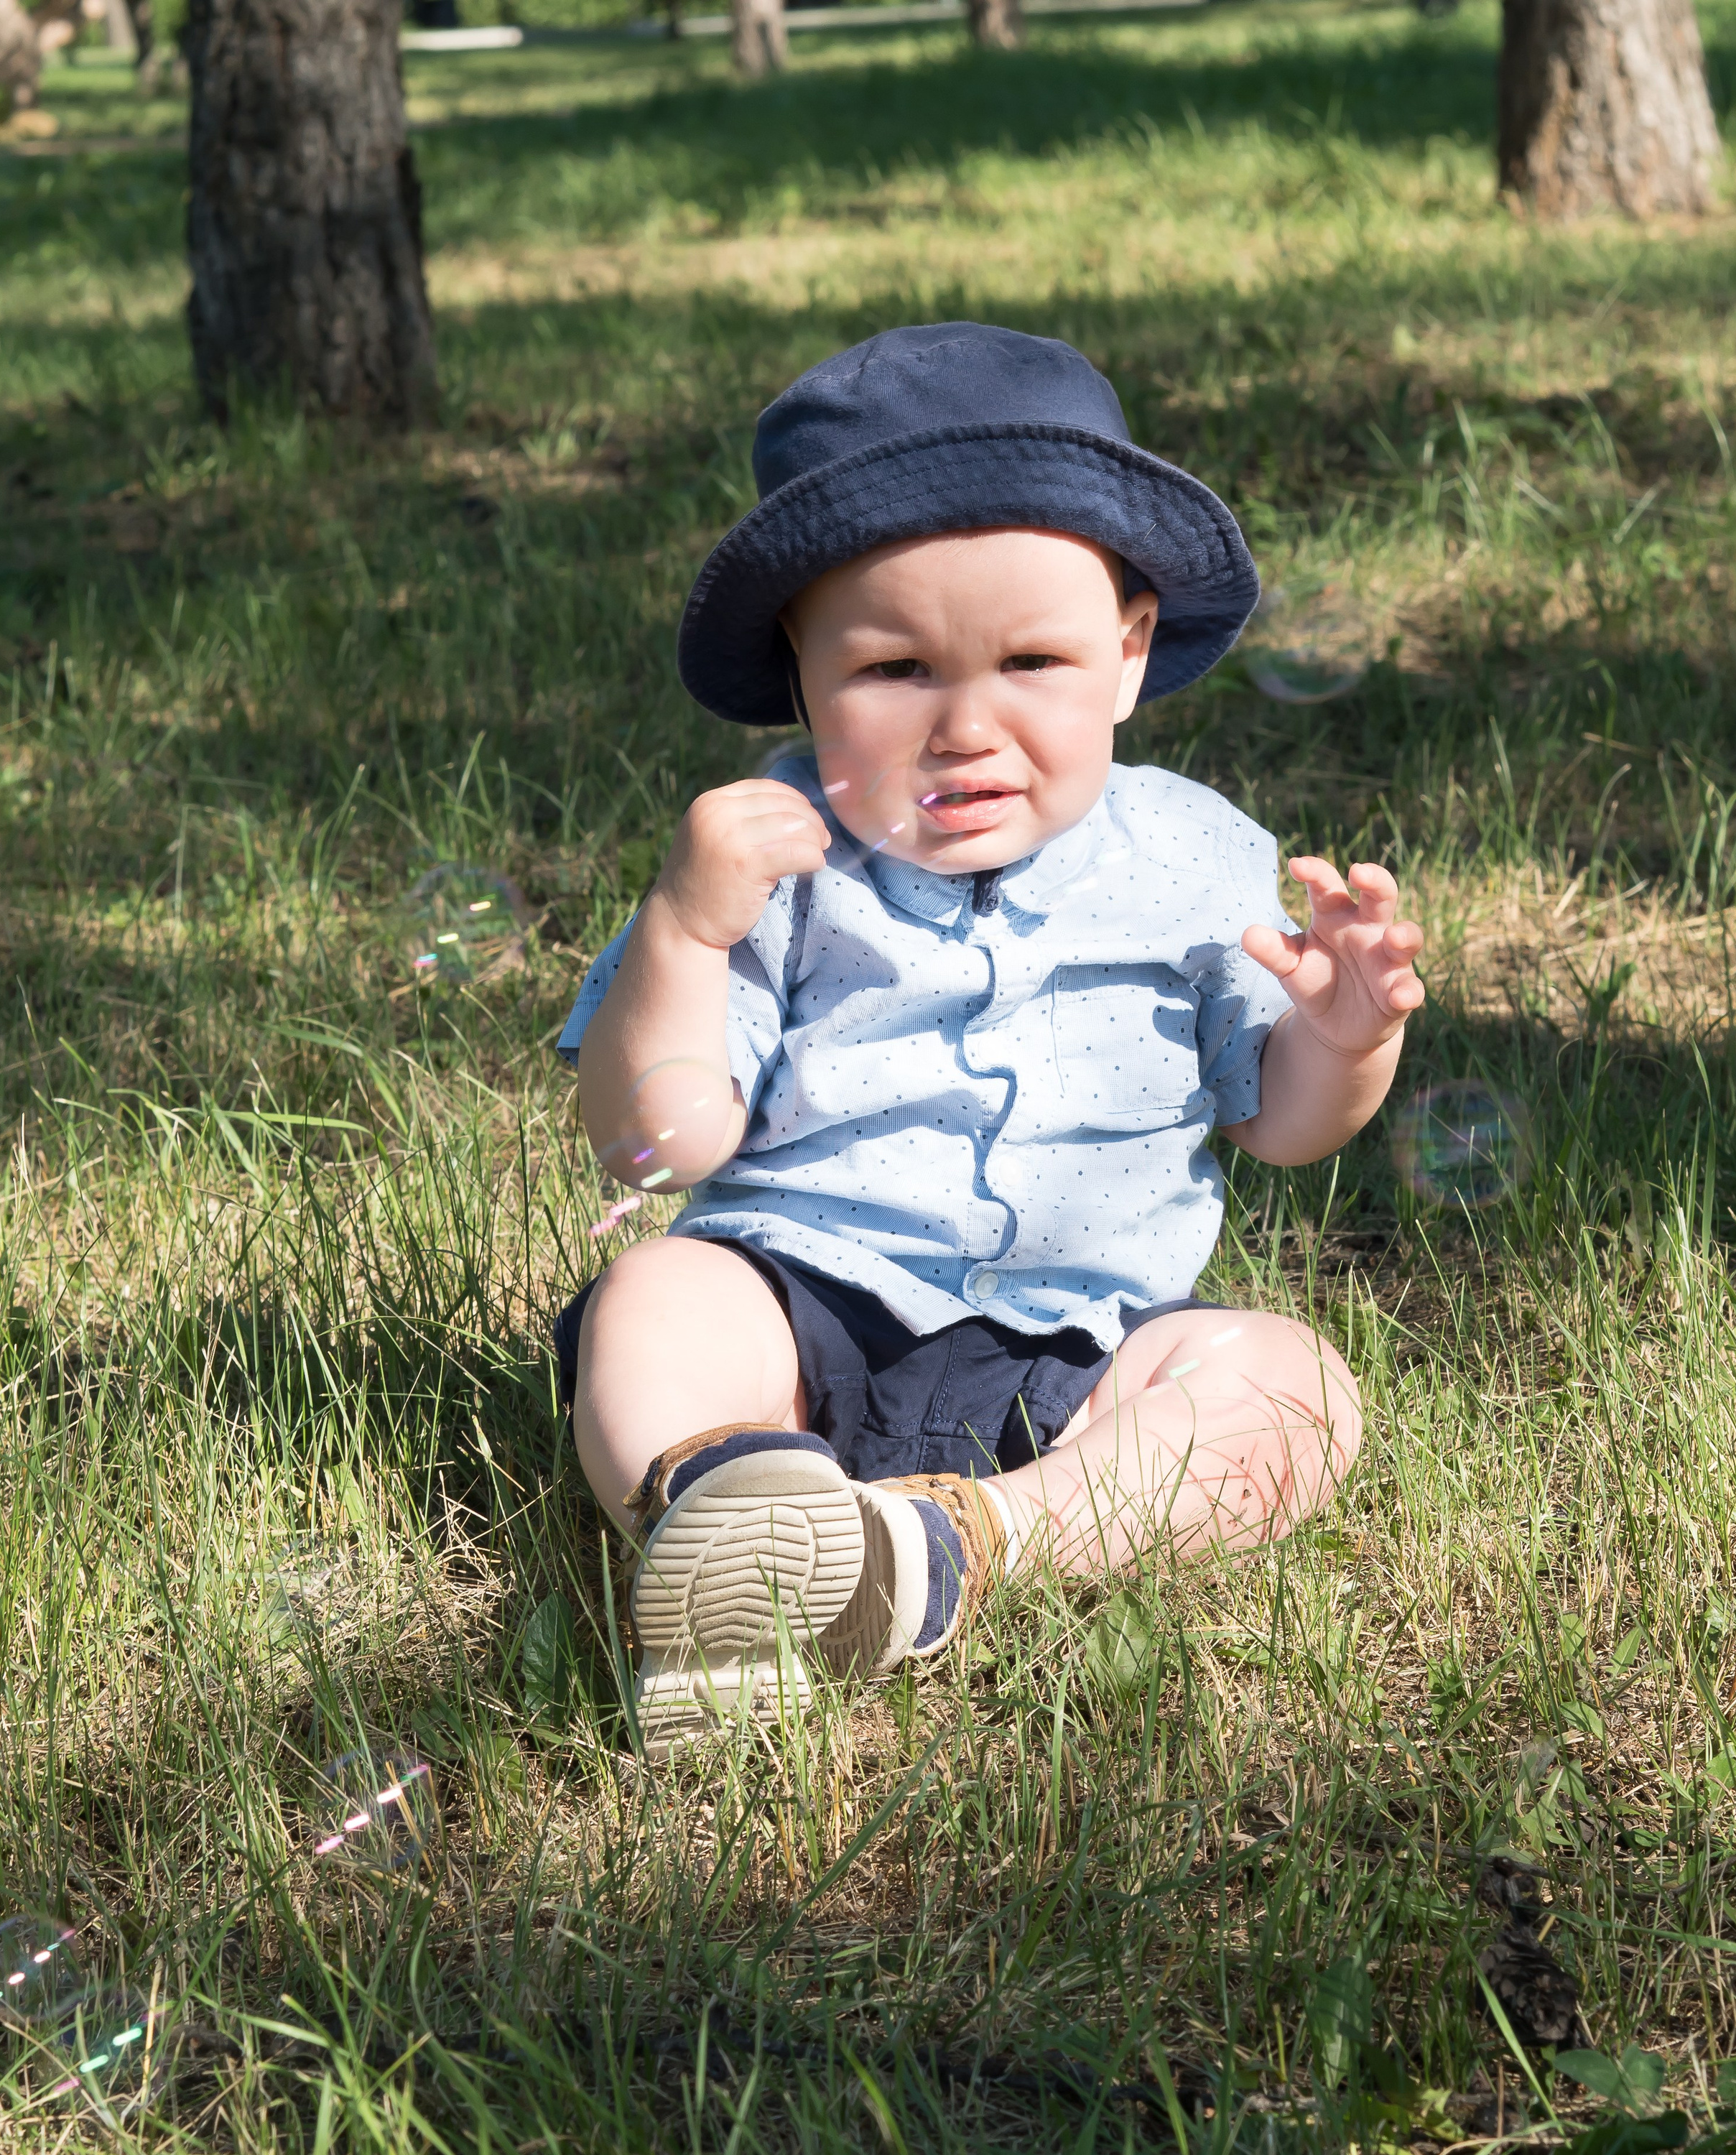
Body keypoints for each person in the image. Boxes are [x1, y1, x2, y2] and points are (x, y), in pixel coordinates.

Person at [553, 323, 1424, 1752]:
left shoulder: (1197, 857)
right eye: (894, 670)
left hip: (1082, 1353)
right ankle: (727, 1501)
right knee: (660, 1293)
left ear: (1128, 656)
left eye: (1032, 660)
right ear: (802, 670)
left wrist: (1341, 1039)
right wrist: (684, 931)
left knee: (1290, 1388)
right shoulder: (775, 857)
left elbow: (1276, 1124)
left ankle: (936, 1553)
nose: (966, 725)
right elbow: (659, 1137)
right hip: (802, 1313)